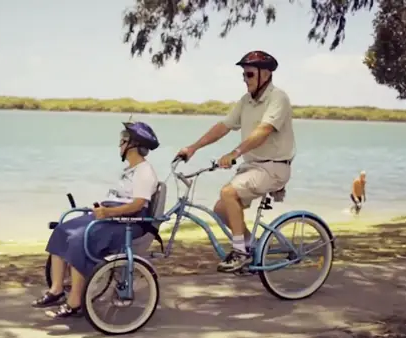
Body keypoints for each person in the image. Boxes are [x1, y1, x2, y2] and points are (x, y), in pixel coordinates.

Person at [176, 50, 296, 273]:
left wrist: (235, 152)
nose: (245, 80)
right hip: (253, 167)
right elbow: (224, 126)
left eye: (249, 74)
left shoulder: (278, 98)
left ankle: (239, 252)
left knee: (228, 192)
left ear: (266, 74)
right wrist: (193, 148)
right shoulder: (246, 101)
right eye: (243, 75)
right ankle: (249, 245)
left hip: (274, 167)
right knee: (221, 209)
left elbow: (264, 131)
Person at [32, 121, 160, 318]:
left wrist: (108, 213)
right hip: (112, 215)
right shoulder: (130, 169)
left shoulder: (145, 171)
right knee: (62, 230)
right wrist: (105, 210)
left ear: (131, 145)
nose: (119, 146)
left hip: (128, 221)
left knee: (78, 240)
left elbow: (137, 205)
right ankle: (56, 290)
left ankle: (75, 302)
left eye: (122, 141)